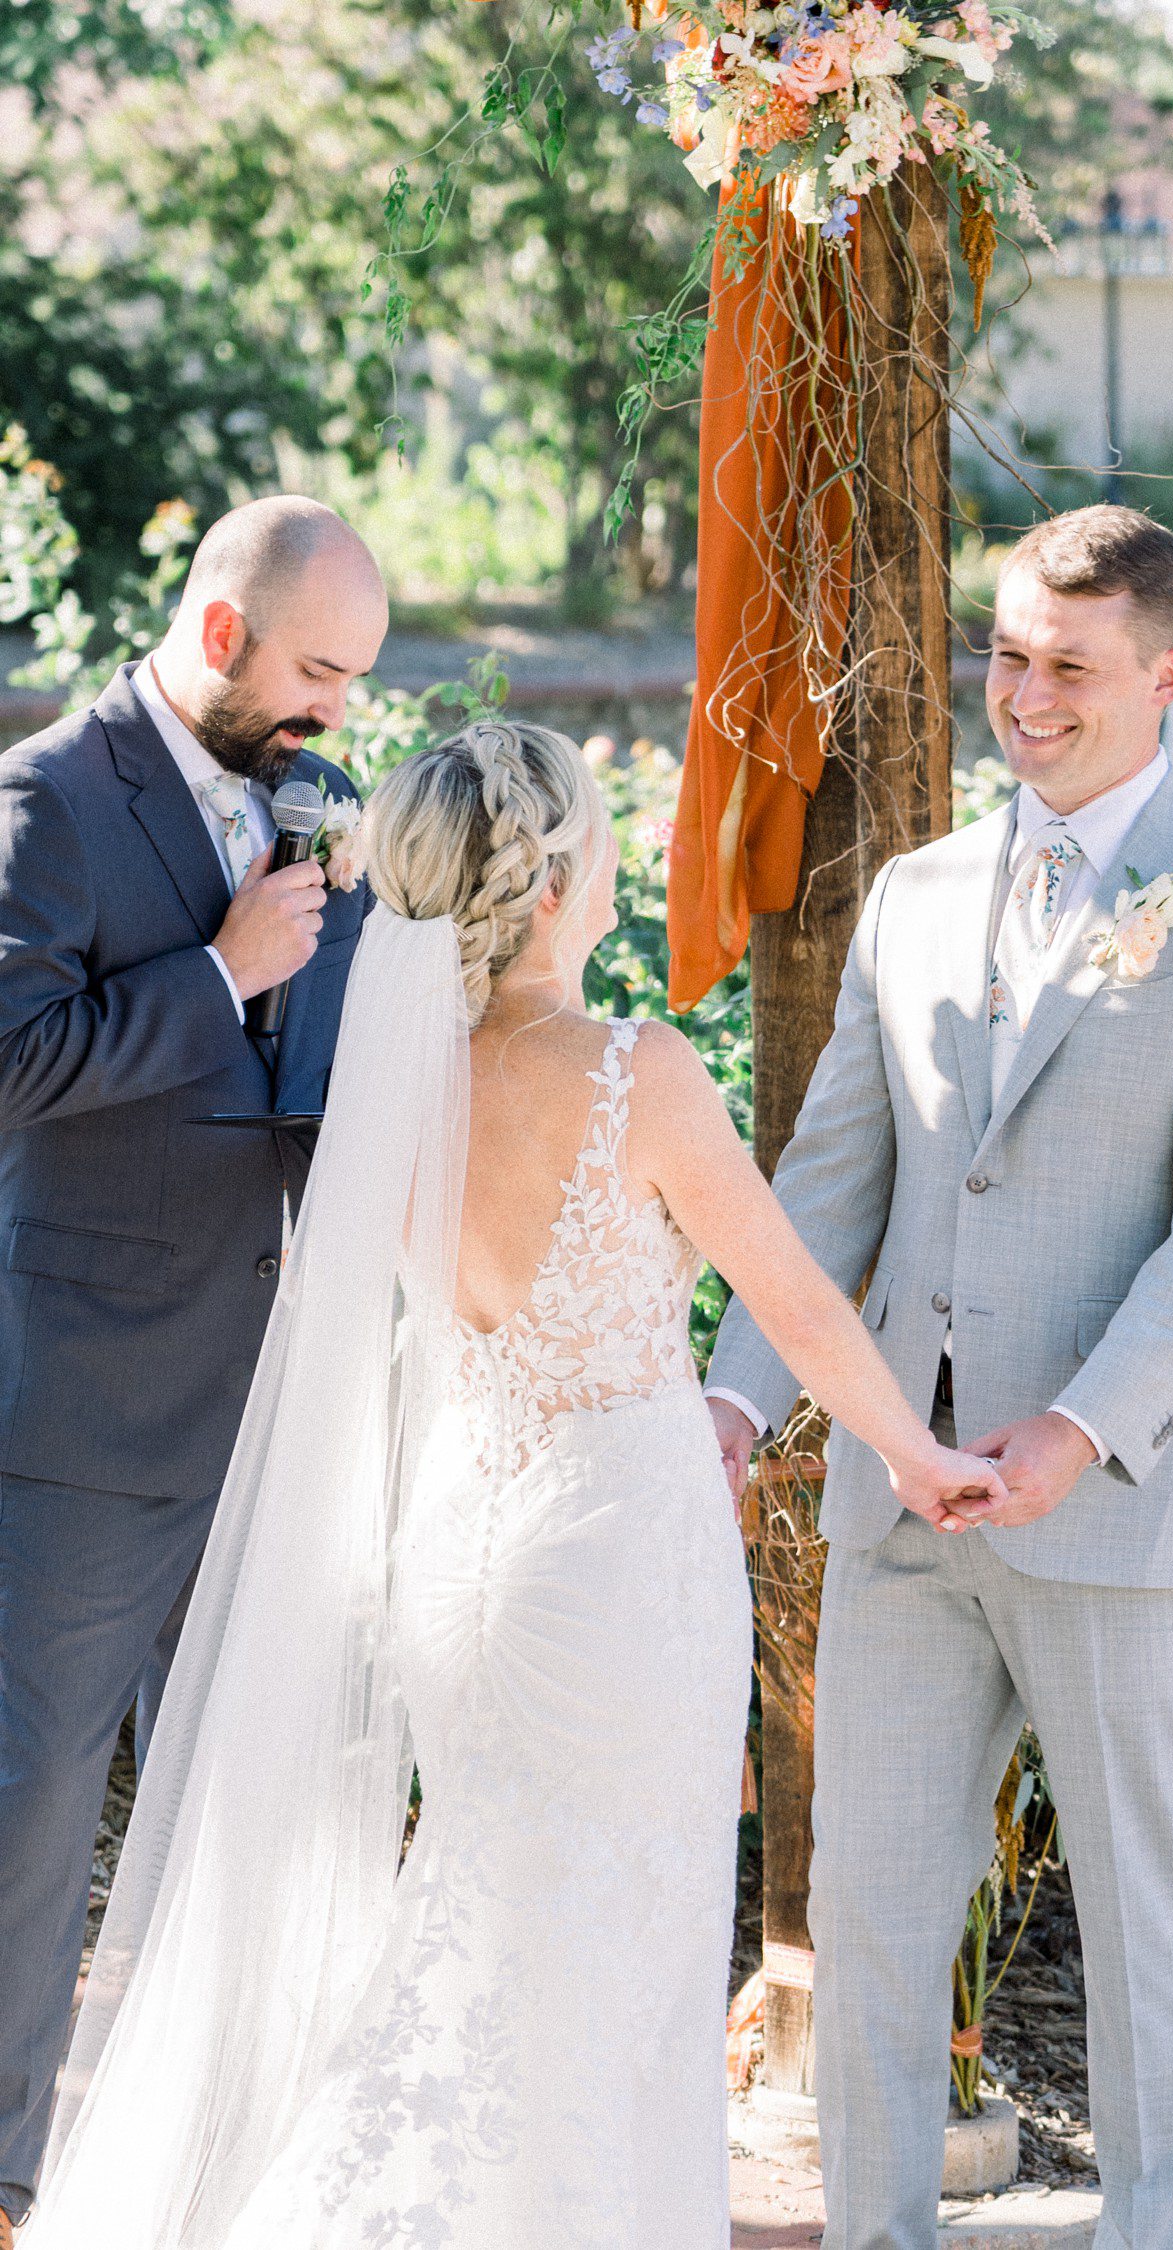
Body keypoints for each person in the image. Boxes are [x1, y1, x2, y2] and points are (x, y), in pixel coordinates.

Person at [27, 720, 1007, 2250]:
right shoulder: (635, 1067)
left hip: (462, 1551)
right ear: (551, 878)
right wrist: (921, 1451)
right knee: (615, 1948)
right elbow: (802, 1306)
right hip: (615, 1555)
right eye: (602, 845)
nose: (615, 869)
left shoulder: (389, 1082)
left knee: (487, 1918)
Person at [708, 505, 1173, 2250]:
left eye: (1069, 664)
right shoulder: (912, 896)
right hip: (903, 1502)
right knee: (872, 1915)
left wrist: (1069, 1432)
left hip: (1116, 1508)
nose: (1026, 694)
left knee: (1143, 1926)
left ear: (1169, 675)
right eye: (1007, 654)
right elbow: (829, 1185)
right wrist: (739, 1401)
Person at [0, 495, 387, 2246]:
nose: (333, 716)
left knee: (261, 1804)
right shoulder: (47, 799)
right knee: (30, 1821)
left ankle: (228, 2165)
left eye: (356, 681)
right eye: (316, 672)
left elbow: (302, 1062)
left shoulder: (302, 800)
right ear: (222, 635)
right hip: (76, 1410)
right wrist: (217, 971)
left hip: (261, 1401)